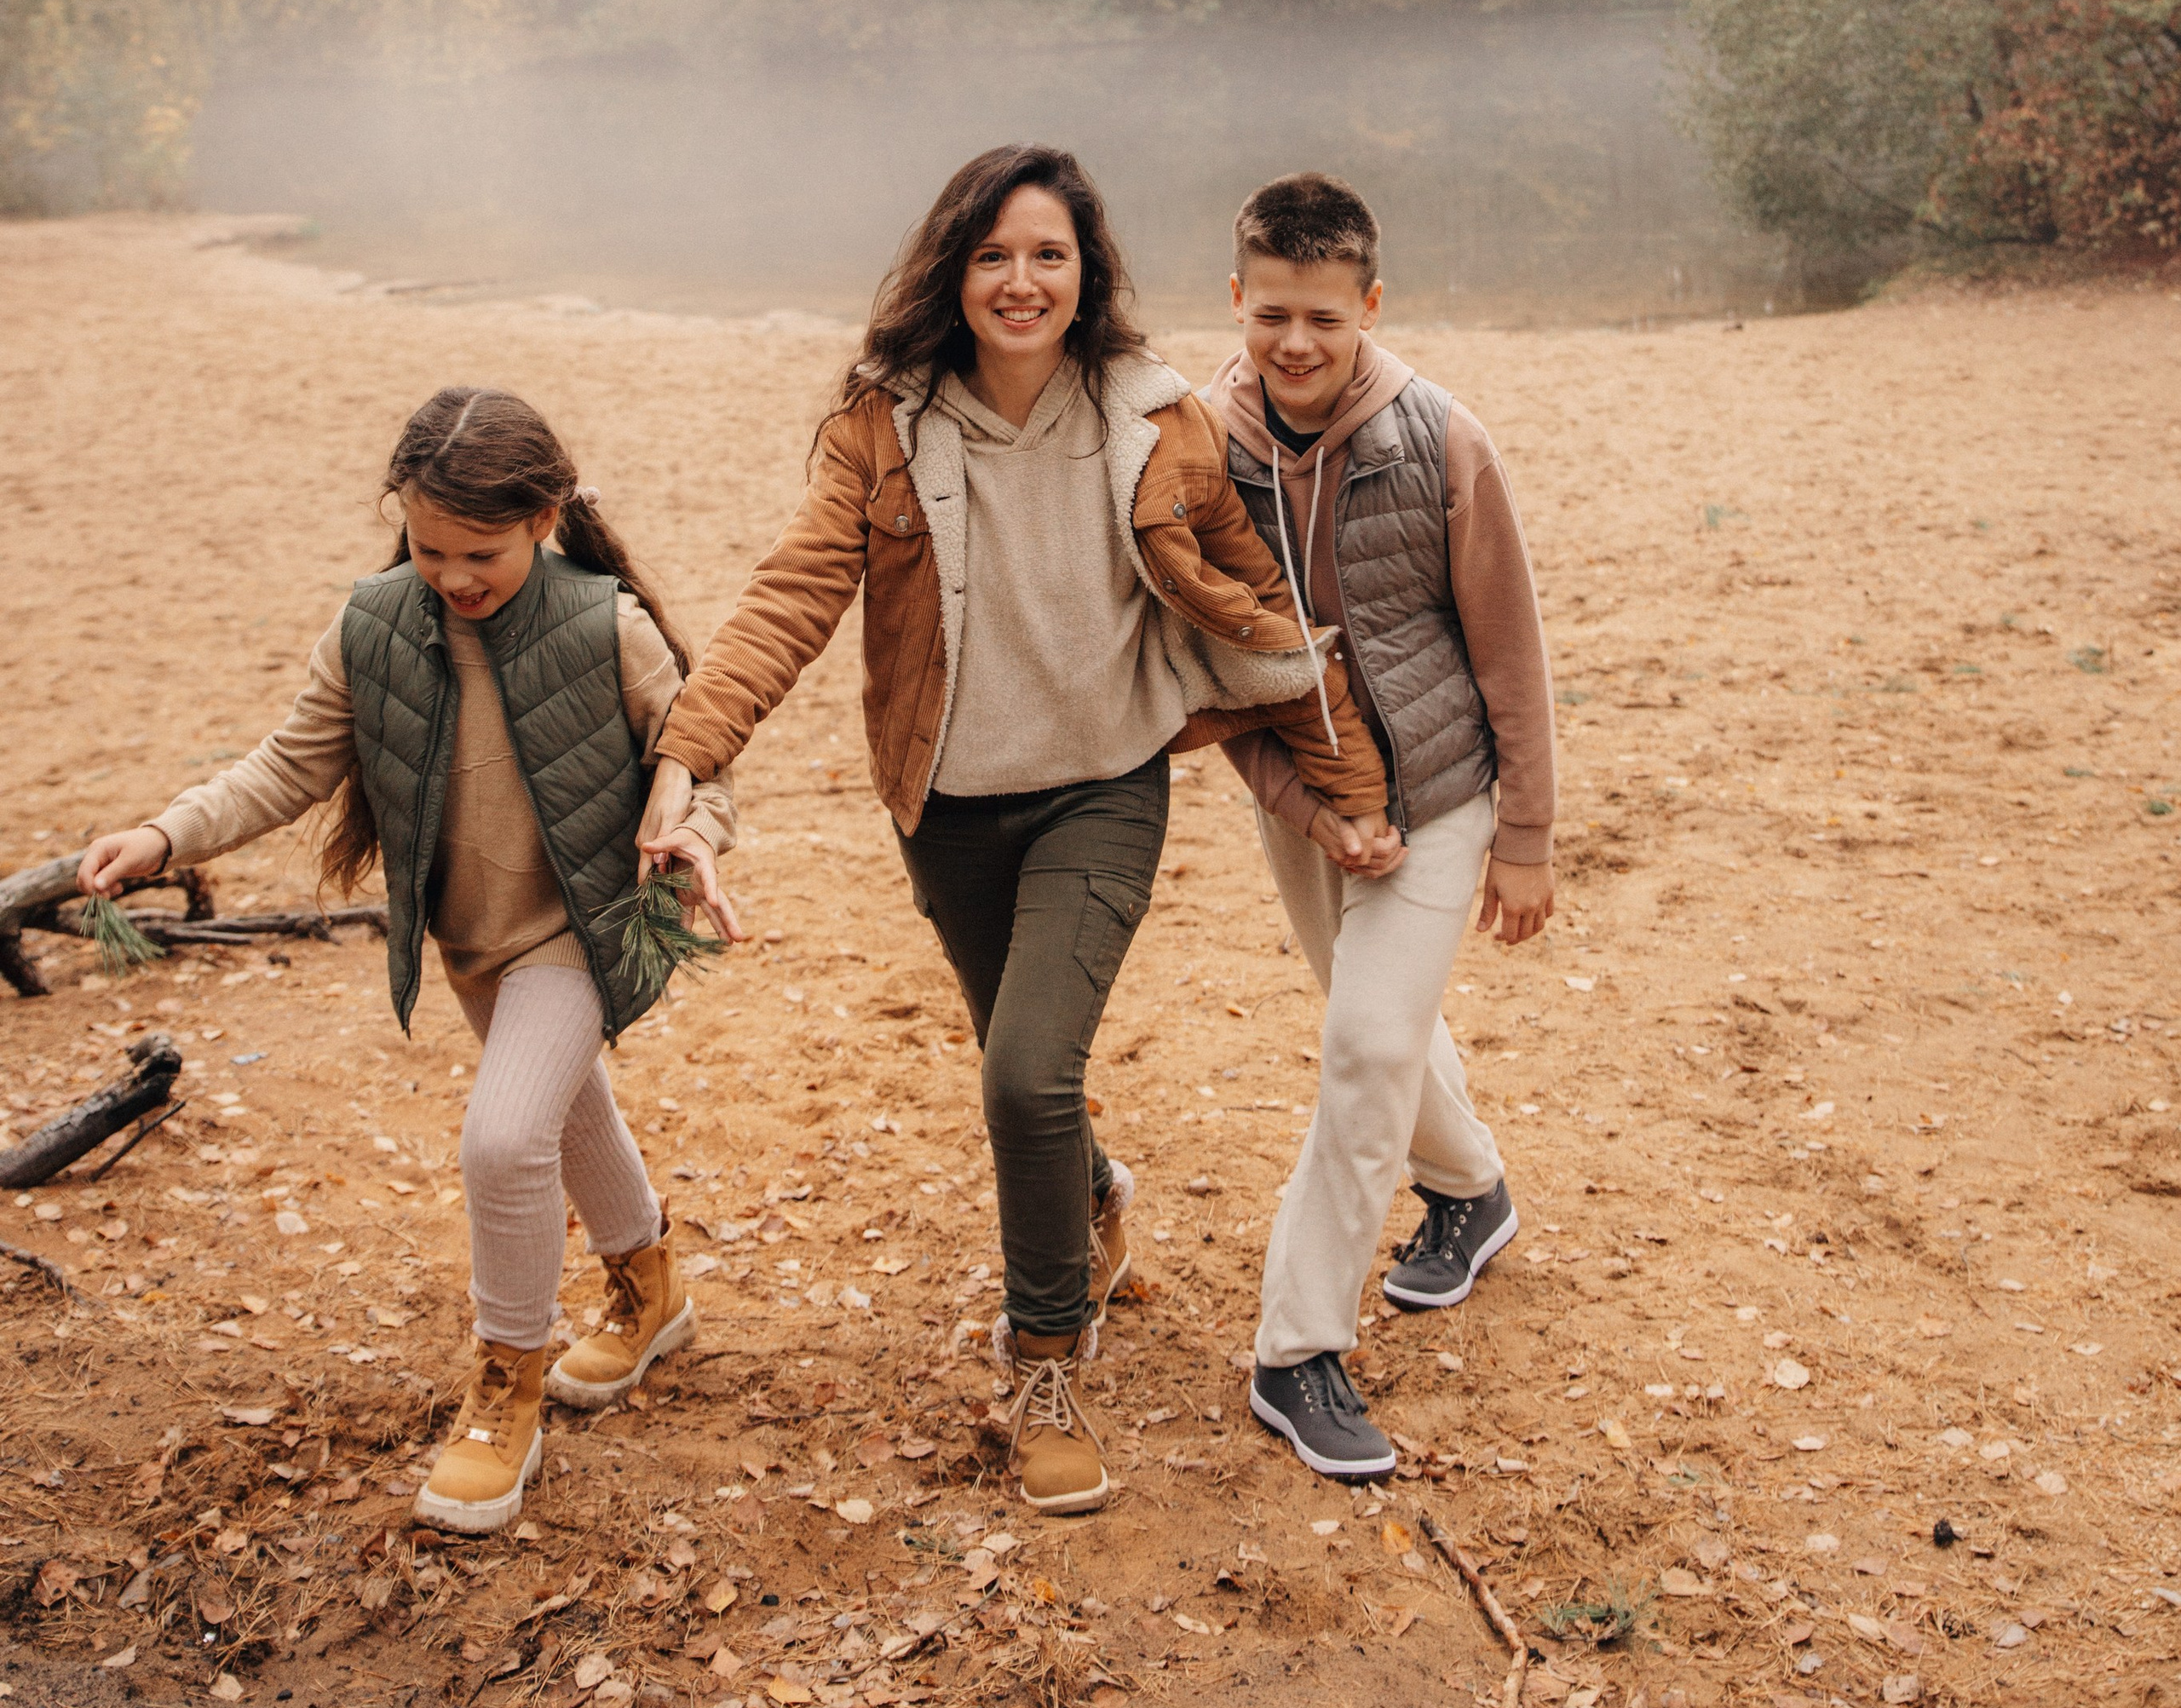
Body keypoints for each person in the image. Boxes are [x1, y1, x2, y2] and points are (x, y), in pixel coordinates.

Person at [642, 142, 1388, 1516]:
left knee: (1024, 1077)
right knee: (1023, 1071)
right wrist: (691, 753)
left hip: (1104, 787)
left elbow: (1260, 609)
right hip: (945, 806)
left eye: (1049, 254)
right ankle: (1093, 1200)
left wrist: (1354, 800)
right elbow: (797, 590)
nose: (1022, 280)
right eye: (995, 256)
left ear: (1087, 270)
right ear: (955, 271)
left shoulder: (1157, 421)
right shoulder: (886, 422)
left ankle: (1046, 1359)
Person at [77, 388, 738, 1537]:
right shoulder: (378, 622)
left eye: (479, 553)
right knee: (566, 1111)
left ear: (543, 518)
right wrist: (165, 835)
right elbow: (289, 765)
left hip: (584, 928)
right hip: (470, 936)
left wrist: (690, 839)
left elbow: (701, 761)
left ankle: (506, 1387)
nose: (454, 576)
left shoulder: (606, 625)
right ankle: (649, 1289)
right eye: (430, 550)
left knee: (502, 1137)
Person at [1201, 172, 1557, 1481]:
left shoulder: (1444, 442)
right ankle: (1471, 1189)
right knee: (1381, 1033)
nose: (1297, 345)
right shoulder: (1197, 443)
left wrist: (1526, 834)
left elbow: (1511, 654)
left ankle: (1296, 1351)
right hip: (1303, 806)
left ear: (1370, 307)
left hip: (1446, 799)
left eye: (1327, 320)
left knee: (1362, 1049)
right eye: (1274, 314)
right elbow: (1208, 668)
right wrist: (1308, 809)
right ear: (1238, 298)